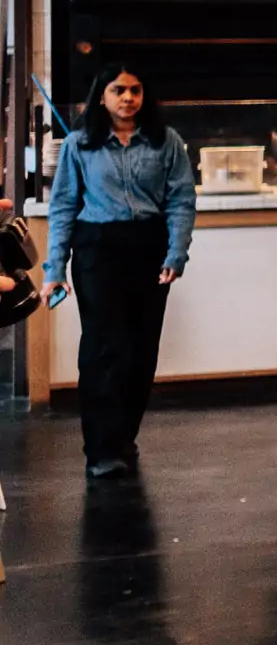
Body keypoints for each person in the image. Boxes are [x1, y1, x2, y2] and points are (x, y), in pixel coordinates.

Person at [40, 64, 196, 480]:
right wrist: (54, 268)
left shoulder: (167, 143)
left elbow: (181, 201)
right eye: (119, 90)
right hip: (97, 250)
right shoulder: (79, 145)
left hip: (148, 248)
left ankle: (124, 436)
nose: (128, 98)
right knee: (104, 348)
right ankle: (101, 449)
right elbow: (62, 209)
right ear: (102, 96)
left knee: (141, 352)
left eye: (136, 90)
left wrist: (175, 254)